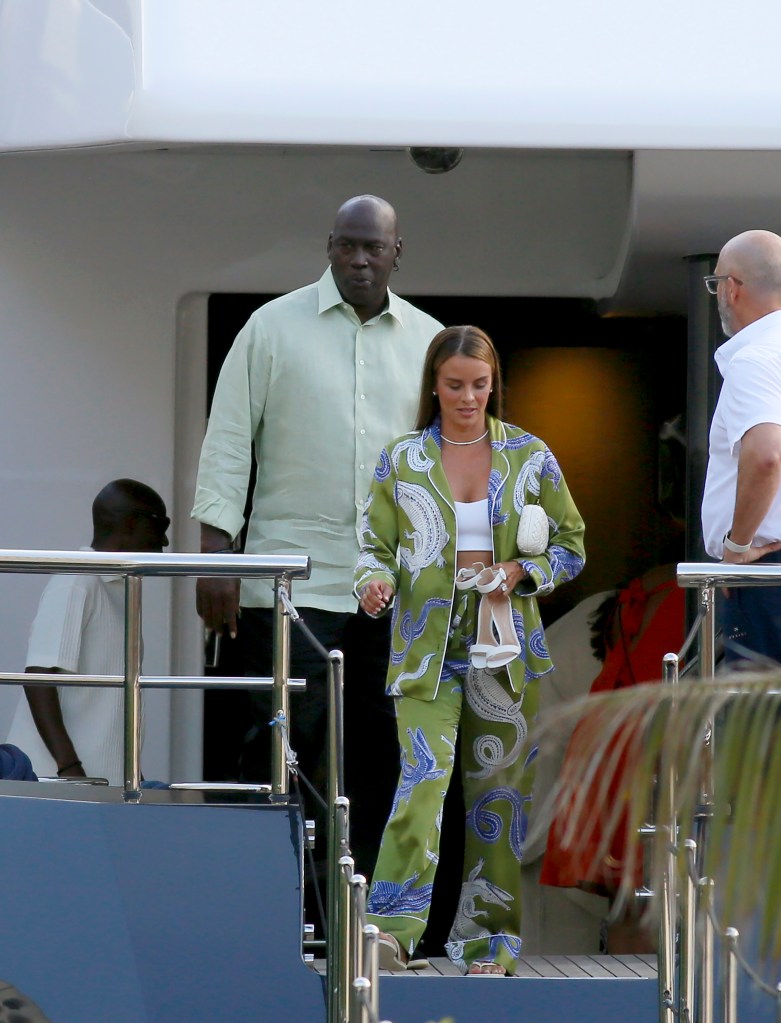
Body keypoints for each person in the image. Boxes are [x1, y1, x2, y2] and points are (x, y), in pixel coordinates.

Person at [191, 195, 442, 876]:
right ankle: (278, 908)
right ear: (329, 245)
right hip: (289, 583)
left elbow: (447, 466)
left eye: (373, 247)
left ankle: (359, 914)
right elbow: (229, 443)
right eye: (346, 245)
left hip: (391, 589)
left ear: (397, 253)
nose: (358, 259)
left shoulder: (428, 339)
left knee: (380, 752)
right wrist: (214, 558)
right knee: (283, 750)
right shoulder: (270, 328)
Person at [355, 325, 586, 976]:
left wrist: (519, 571)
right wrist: (372, 582)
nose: (467, 397)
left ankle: (490, 943)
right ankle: (390, 931)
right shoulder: (400, 459)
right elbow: (373, 546)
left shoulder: (529, 454)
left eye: (479, 385)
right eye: (454, 384)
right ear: (433, 382)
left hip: (504, 644)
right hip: (425, 650)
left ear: (493, 385)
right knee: (421, 783)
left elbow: (571, 545)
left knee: (498, 796)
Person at [539, 565, 684, 953]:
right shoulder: (697, 585)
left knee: (631, 900)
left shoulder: (644, 589)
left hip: (608, 738)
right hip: (644, 747)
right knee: (644, 900)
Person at [5, 479, 169, 784]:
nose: (166, 540)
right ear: (132, 524)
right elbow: (37, 678)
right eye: (161, 526)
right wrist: (70, 771)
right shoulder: (76, 580)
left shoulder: (120, 589)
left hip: (100, 786)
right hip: (52, 785)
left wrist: (131, 773)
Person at [701, 229, 781, 663]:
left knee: (758, 723)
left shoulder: (756, 357)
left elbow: (767, 455)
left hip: (765, 576)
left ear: (732, 289)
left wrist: (734, 550)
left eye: (716, 284)